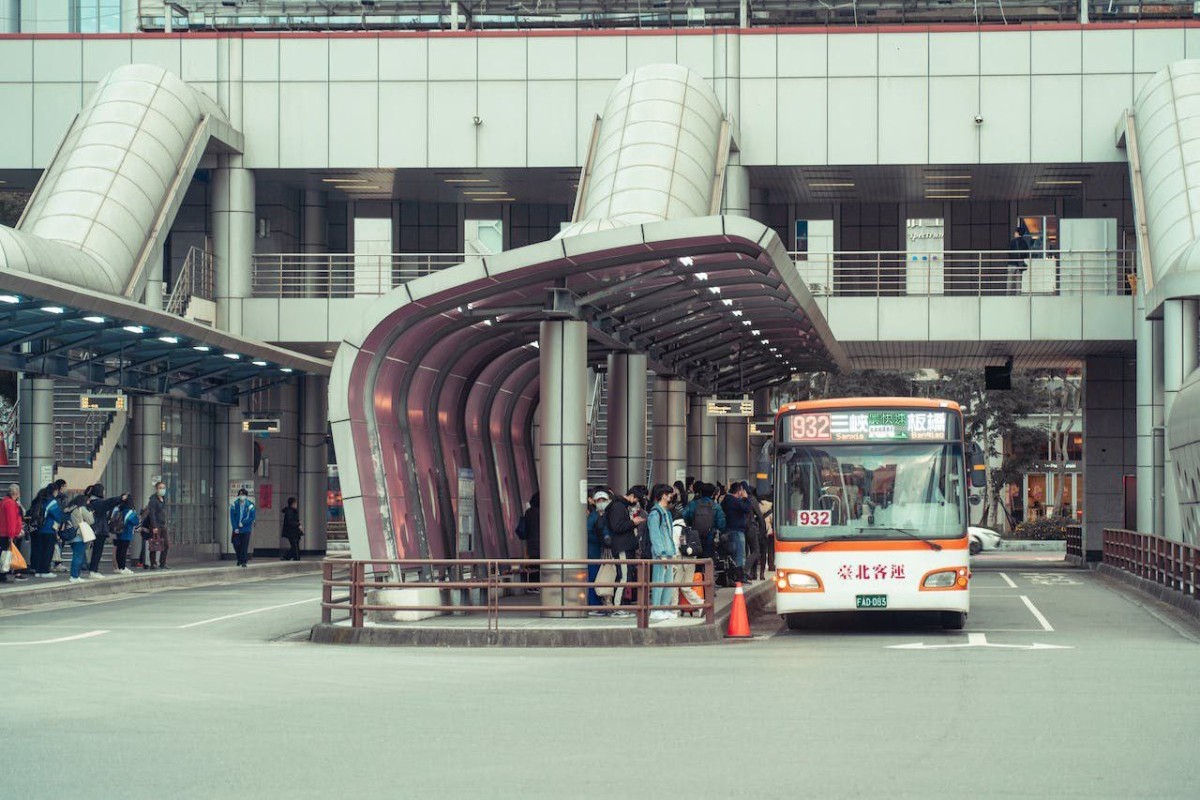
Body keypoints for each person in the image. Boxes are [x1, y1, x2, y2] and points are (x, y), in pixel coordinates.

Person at [604, 486, 645, 617]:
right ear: (632, 495)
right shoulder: (618, 506)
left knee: (624, 576)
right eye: (637, 498)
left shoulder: (620, 505)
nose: (636, 501)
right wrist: (633, 522)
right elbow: (617, 526)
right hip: (622, 546)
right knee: (623, 576)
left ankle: (618, 606)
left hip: (624, 546)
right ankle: (617, 607)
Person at [647, 484, 677, 622]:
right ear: (663, 495)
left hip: (669, 552)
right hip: (662, 553)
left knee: (668, 582)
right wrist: (661, 553)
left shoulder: (666, 512)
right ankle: (656, 609)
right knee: (659, 581)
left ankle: (664, 608)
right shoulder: (655, 513)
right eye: (669, 493)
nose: (671, 496)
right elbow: (655, 535)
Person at [84, 484, 127, 579]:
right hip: (99, 530)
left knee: (95, 551)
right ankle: (93, 571)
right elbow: (108, 503)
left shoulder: (90, 501)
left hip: (95, 529)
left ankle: (93, 570)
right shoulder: (98, 502)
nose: (104, 492)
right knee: (97, 551)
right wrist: (120, 498)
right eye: (103, 490)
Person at [32, 482, 67, 578]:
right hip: (48, 530)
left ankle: (38, 571)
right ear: (55, 491)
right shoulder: (52, 502)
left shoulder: (41, 500)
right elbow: (58, 516)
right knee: (48, 551)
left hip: (39, 529)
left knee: (40, 550)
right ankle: (45, 571)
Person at [682, 482, 726, 560]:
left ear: (701, 492)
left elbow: (683, 516)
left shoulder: (692, 504)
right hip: (710, 537)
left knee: (696, 560)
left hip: (694, 536)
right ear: (713, 494)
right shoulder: (716, 506)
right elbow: (721, 524)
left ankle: (698, 572)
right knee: (708, 561)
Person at [585, 489, 612, 613]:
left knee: (603, 578)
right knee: (594, 578)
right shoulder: (593, 516)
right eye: (598, 500)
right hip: (594, 552)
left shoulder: (608, 514)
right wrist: (601, 539)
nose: (601, 502)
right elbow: (587, 532)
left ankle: (602, 604)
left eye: (603, 500)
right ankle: (594, 605)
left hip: (604, 551)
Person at [721, 481, 753, 579]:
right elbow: (747, 508)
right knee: (739, 555)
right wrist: (746, 497)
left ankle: (735, 576)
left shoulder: (726, 500)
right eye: (741, 491)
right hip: (737, 531)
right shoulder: (734, 500)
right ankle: (739, 577)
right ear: (739, 491)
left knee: (734, 555)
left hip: (730, 530)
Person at [65, 493, 96, 583]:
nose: (88, 502)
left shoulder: (69, 509)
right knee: (78, 556)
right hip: (79, 535)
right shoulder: (81, 509)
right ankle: (74, 576)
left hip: (71, 535)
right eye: (87, 501)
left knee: (76, 555)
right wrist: (90, 514)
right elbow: (91, 520)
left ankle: (75, 575)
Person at [0, 483, 22, 583]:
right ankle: (3, 575)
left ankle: (3, 574)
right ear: (16, 493)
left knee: (4, 554)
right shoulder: (10, 503)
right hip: (6, 533)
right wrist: (12, 535)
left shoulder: (4, 501)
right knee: (6, 554)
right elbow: (11, 520)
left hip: (3, 532)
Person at [230, 487, 257, 568]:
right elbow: (232, 517)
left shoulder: (250, 505)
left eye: (243, 494)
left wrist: (243, 523)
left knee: (244, 545)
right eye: (240, 494)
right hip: (237, 529)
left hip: (246, 529)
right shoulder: (234, 504)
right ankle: (239, 558)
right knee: (236, 544)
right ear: (238, 495)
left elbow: (252, 517)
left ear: (246, 496)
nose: (242, 496)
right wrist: (235, 528)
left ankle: (243, 561)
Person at [145, 481, 169, 569]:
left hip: (163, 525)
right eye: (160, 488)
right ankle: (153, 563)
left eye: (164, 488)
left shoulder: (163, 499)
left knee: (166, 544)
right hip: (156, 525)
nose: (162, 490)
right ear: (156, 489)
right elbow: (152, 514)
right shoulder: (153, 500)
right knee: (154, 544)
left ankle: (163, 563)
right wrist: (154, 526)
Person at [112, 497, 139, 574]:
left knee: (119, 551)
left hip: (118, 533)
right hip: (126, 533)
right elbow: (136, 522)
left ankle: (119, 567)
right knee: (123, 551)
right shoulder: (130, 512)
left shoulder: (118, 510)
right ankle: (123, 567)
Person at [521, 493, 540, 587]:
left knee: (533, 566)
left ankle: (533, 586)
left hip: (531, 544)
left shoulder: (528, 512)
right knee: (542, 566)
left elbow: (524, 529)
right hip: (543, 545)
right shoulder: (545, 512)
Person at [1007, 228, 1029, 295]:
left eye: (1015, 232)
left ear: (1017, 233)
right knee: (1018, 280)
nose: (1014, 233)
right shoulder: (1024, 242)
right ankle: (1018, 294)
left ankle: (1008, 294)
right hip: (1020, 264)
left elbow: (1009, 252)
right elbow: (1026, 254)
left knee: (1010, 279)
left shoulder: (1012, 242)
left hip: (1012, 263)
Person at [280, 497, 303, 561]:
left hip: (294, 532)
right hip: (291, 532)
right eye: (295, 503)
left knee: (295, 546)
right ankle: (294, 558)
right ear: (293, 504)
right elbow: (290, 522)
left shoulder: (293, 511)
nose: (296, 505)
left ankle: (288, 557)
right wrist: (298, 524)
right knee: (295, 547)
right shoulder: (289, 511)